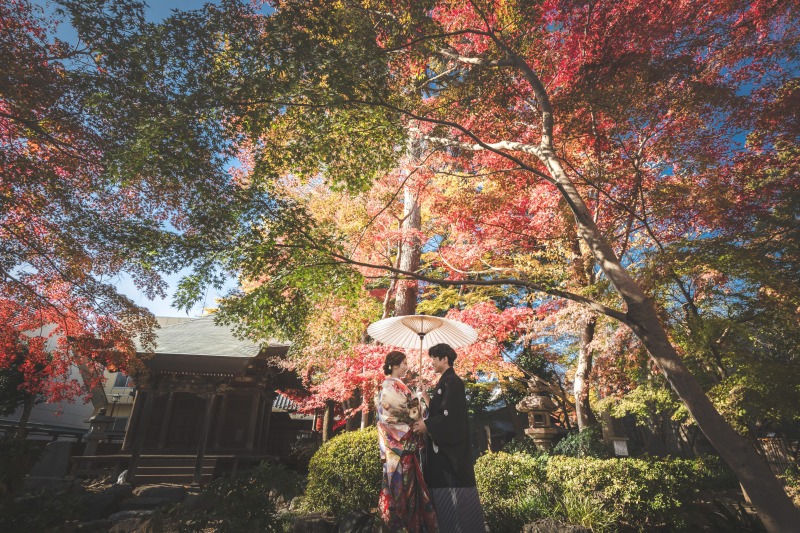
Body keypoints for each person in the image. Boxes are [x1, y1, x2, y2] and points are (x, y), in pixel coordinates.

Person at [412, 343, 486, 533]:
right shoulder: (445, 381)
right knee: (443, 498)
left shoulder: (452, 381)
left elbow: (450, 417)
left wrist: (427, 425)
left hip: (449, 454)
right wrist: (426, 396)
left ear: (445, 359)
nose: (432, 364)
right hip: (442, 452)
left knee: (454, 499)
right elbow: (439, 410)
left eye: (434, 360)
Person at [375, 350, 438, 532]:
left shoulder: (395, 386)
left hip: (400, 447)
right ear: (395, 366)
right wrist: (418, 401)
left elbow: (410, 410)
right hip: (400, 447)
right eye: (404, 363)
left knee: (407, 489)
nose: (406, 366)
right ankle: (403, 527)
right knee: (402, 490)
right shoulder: (389, 387)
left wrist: (418, 398)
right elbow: (407, 412)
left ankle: (407, 526)